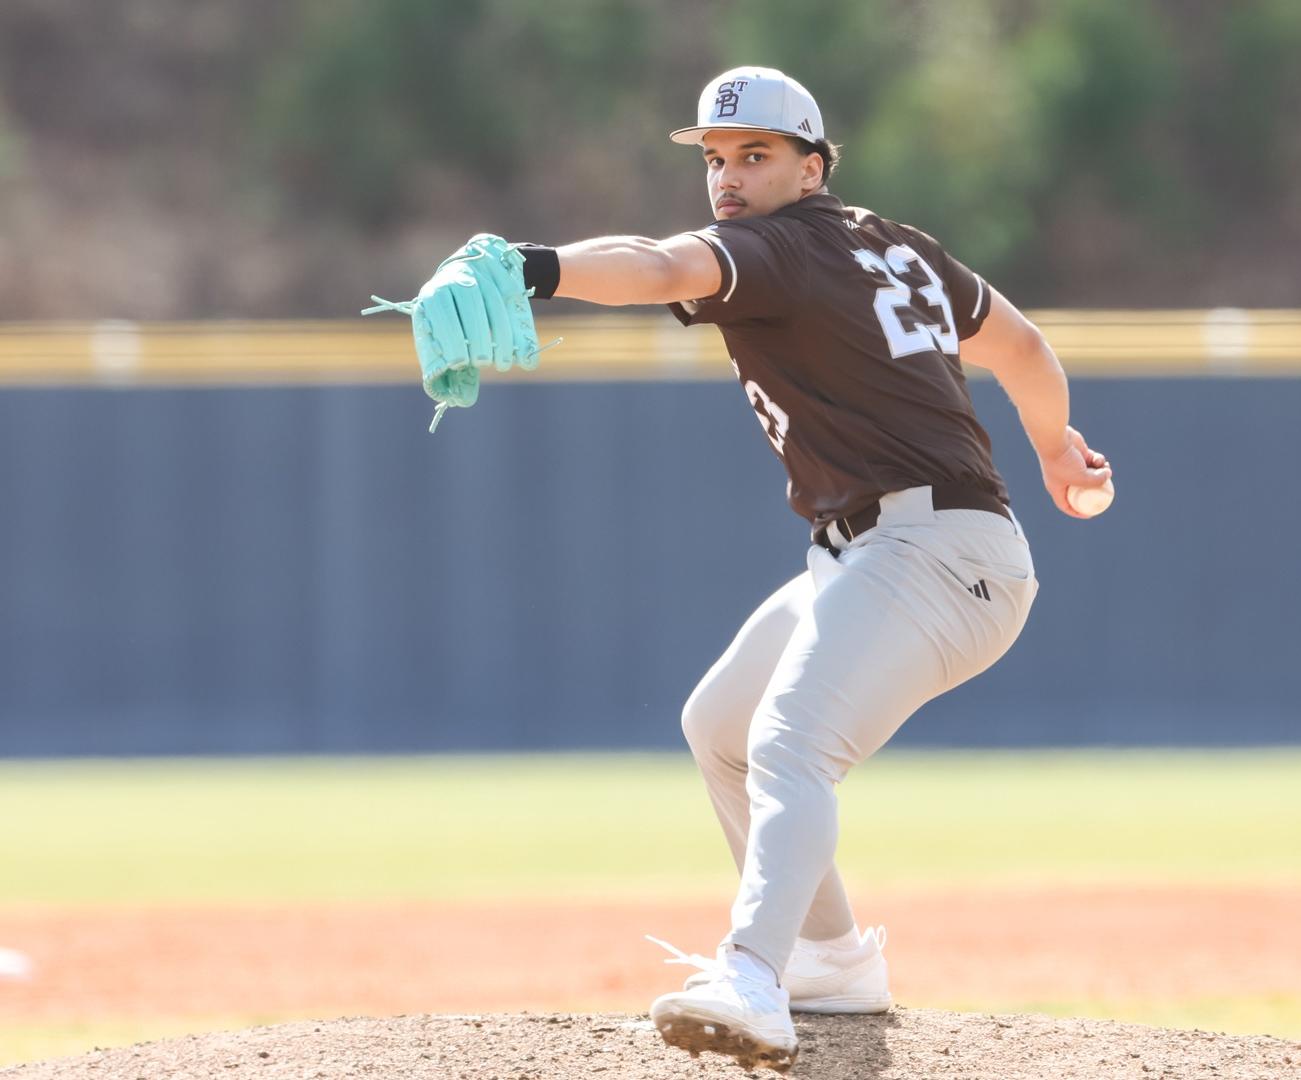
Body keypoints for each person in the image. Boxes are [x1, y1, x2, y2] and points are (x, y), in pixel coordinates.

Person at [418, 66, 1111, 1072]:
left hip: (937, 551)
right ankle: (833, 962)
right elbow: (1023, 346)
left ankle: (754, 972)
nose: (730, 176)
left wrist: (534, 266)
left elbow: (656, 268)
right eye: (714, 158)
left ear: (811, 166)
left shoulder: (781, 249)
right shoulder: (898, 245)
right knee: (723, 727)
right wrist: (1055, 447)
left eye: (755, 154)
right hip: (885, 550)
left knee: (792, 740)